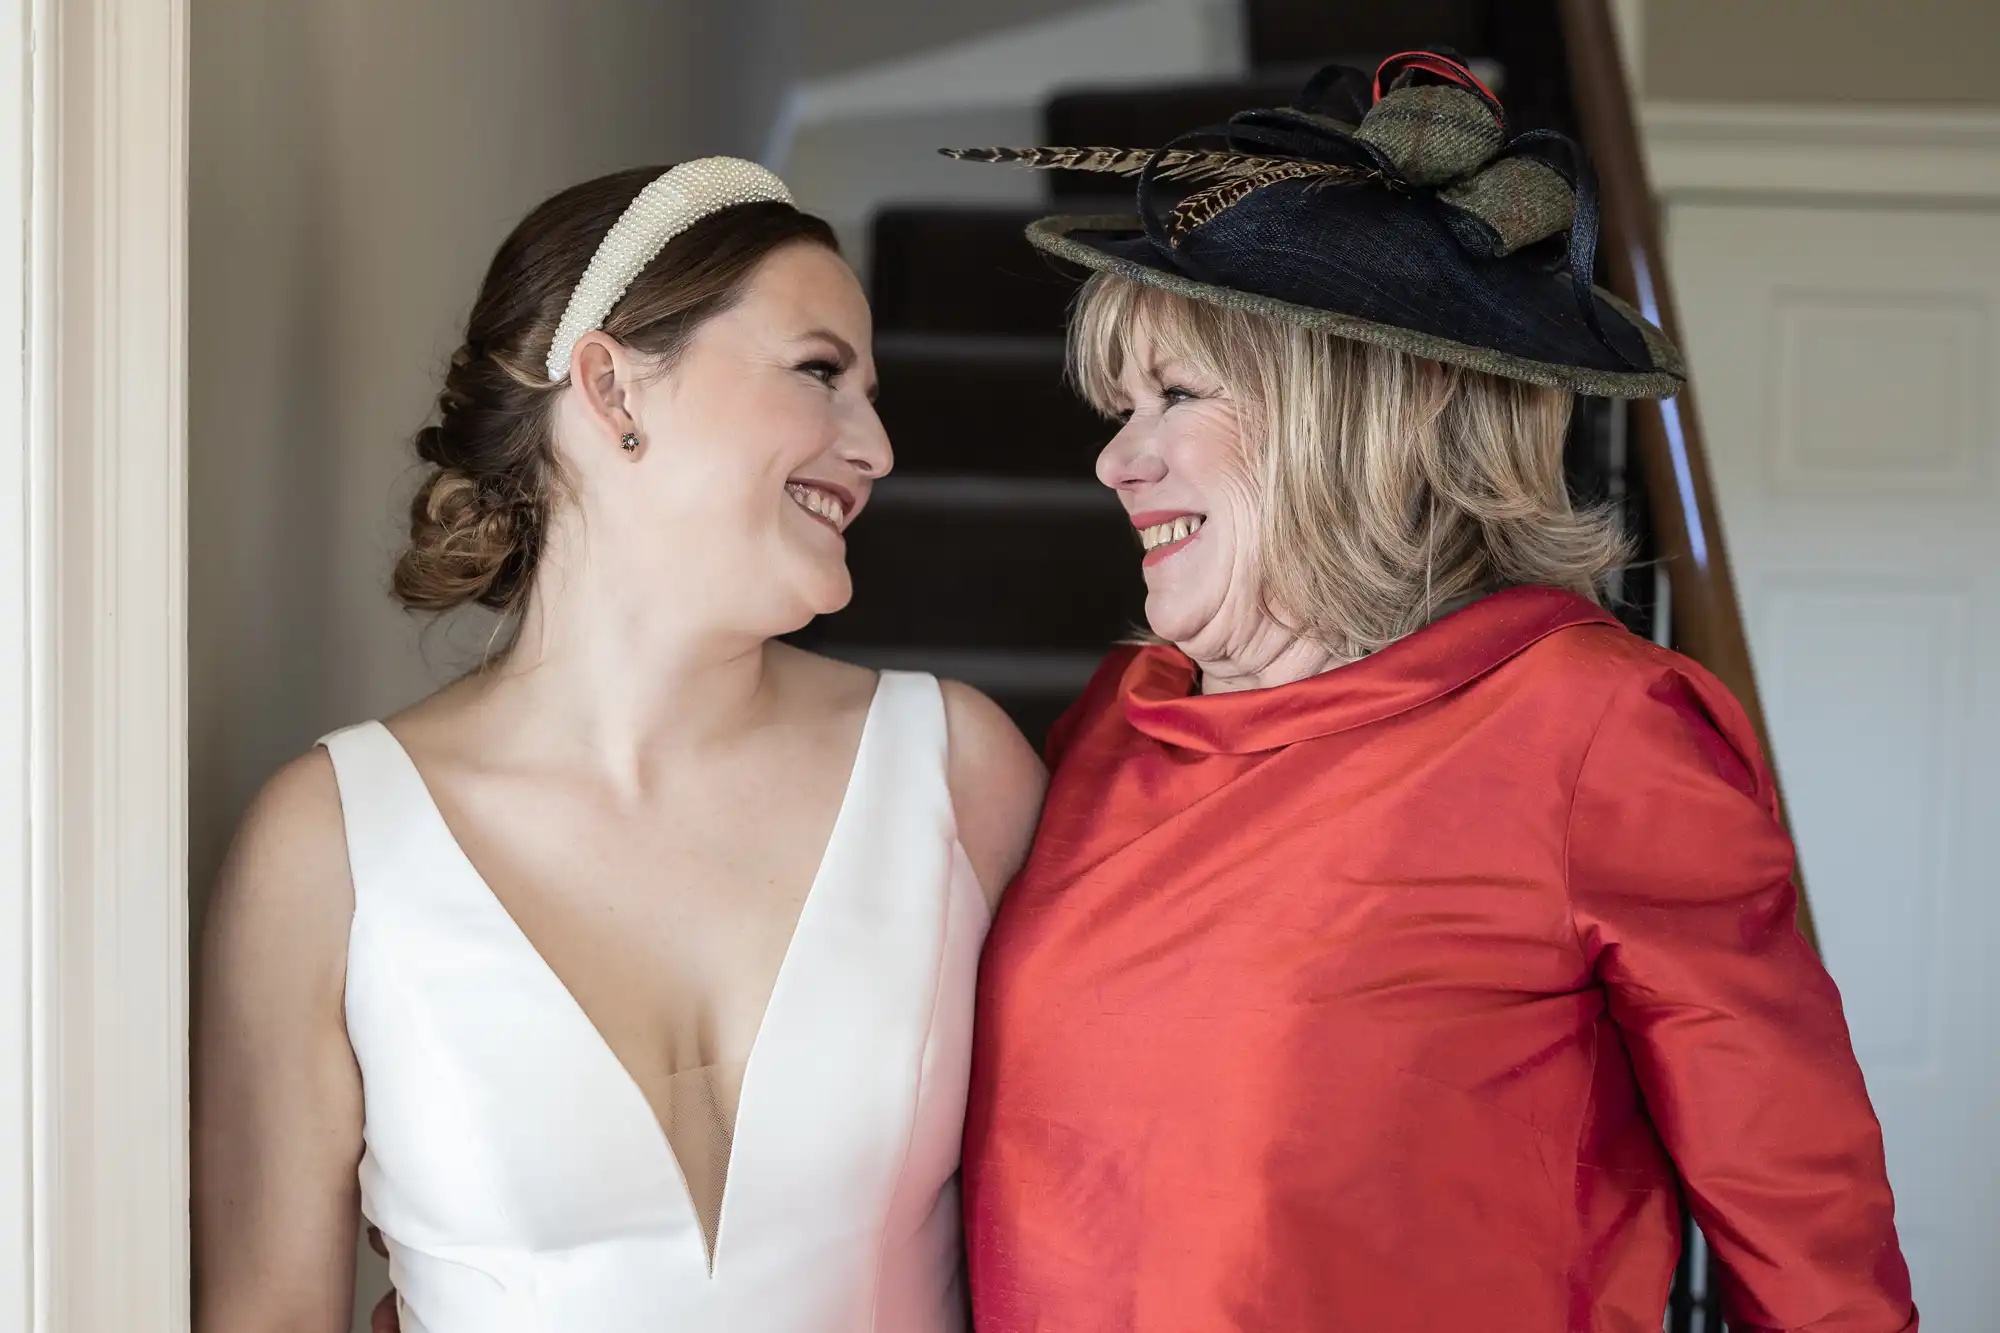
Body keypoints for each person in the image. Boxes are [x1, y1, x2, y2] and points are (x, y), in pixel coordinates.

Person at [948, 53, 1917, 1332]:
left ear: (1366, 413)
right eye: (1121, 405)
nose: (1116, 457)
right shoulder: (1114, 721)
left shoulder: (1588, 730)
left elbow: (1807, 1235)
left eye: (1177, 395)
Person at [192, 159, 1045, 1333]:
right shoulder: (330, 847)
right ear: (610, 386)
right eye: (819, 373)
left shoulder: (957, 774)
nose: (877, 448)